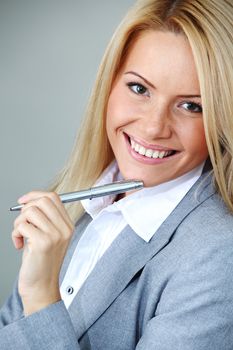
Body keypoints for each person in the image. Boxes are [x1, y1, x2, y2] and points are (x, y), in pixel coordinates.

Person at [1, 0, 233, 348]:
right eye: (139, 88)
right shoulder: (89, 197)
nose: (154, 128)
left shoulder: (217, 256)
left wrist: (40, 295)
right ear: (108, 86)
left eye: (191, 106)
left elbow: (30, 314)